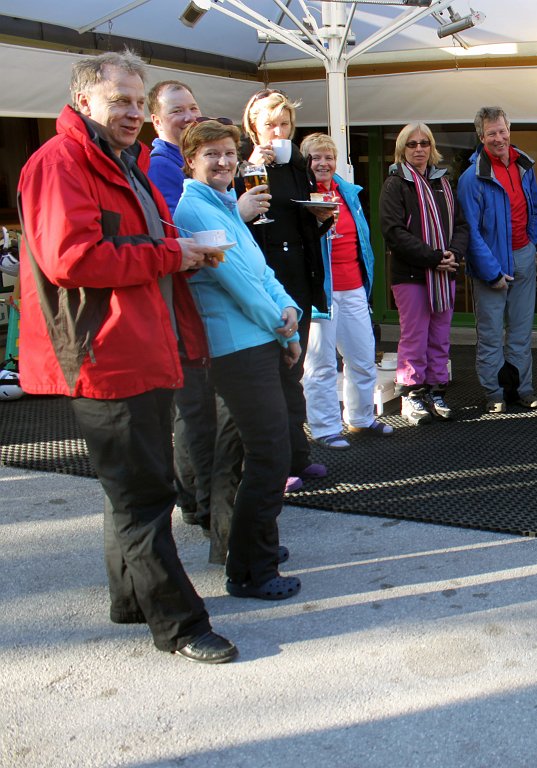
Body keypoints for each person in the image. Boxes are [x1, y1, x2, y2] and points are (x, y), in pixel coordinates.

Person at [17, 50, 236, 663]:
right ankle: (181, 625)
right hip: (104, 355)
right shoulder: (60, 162)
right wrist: (170, 254)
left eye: (139, 101)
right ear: (84, 100)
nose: (134, 112)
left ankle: (129, 599)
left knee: (130, 490)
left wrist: (176, 247)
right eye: (121, 100)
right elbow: (72, 259)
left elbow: (131, 241)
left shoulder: (120, 159)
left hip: (137, 347)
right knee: (144, 497)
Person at [175, 119, 303, 602]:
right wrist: (282, 325)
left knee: (251, 453)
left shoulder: (225, 205)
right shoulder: (193, 211)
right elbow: (238, 285)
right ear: (191, 161)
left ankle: (246, 549)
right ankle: (252, 571)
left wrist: (287, 307)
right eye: (212, 154)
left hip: (257, 339)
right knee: (271, 455)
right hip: (236, 348)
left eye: (229, 153)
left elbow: (263, 272)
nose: (224, 162)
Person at [240, 89, 336, 492]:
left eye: (284, 125)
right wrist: (248, 168)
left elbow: (306, 220)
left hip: (299, 273)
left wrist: (321, 217)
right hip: (266, 275)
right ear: (253, 126)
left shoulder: (299, 164)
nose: (277, 132)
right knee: (274, 374)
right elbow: (235, 224)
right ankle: (272, 466)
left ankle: (299, 455)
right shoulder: (240, 165)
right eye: (269, 124)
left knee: (293, 372)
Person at [145, 79, 214, 532]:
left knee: (199, 406)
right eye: (177, 111)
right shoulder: (163, 167)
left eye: (192, 107)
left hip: (199, 296)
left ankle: (197, 494)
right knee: (193, 408)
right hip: (183, 300)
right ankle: (197, 501)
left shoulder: (187, 159)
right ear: (156, 120)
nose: (189, 116)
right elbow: (178, 232)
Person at [379, 122, 469, 424]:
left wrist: (452, 254)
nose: (419, 149)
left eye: (424, 143)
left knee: (440, 337)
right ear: (402, 149)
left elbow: (460, 226)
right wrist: (434, 258)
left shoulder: (444, 184)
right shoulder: (395, 185)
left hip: (444, 273)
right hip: (412, 275)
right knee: (414, 337)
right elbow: (393, 233)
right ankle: (412, 396)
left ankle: (436, 390)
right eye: (412, 144)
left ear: (432, 148)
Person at [299, 132, 386, 442]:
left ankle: (361, 418)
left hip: (354, 288)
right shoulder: (300, 196)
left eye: (329, 157)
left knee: (362, 356)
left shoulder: (348, 192)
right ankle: (325, 428)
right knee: (321, 365)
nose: (324, 163)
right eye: (316, 157)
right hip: (321, 292)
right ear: (305, 162)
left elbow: (362, 241)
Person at [457, 106, 537, 413]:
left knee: (521, 331)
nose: (499, 138)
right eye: (491, 133)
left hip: (523, 255)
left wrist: (533, 243)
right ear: (481, 137)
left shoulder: (525, 166)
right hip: (490, 265)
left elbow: (534, 208)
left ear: (510, 131)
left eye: (502, 131)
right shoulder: (471, 178)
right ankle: (494, 393)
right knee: (491, 334)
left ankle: (523, 388)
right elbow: (471, 232)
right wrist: (491, 271)